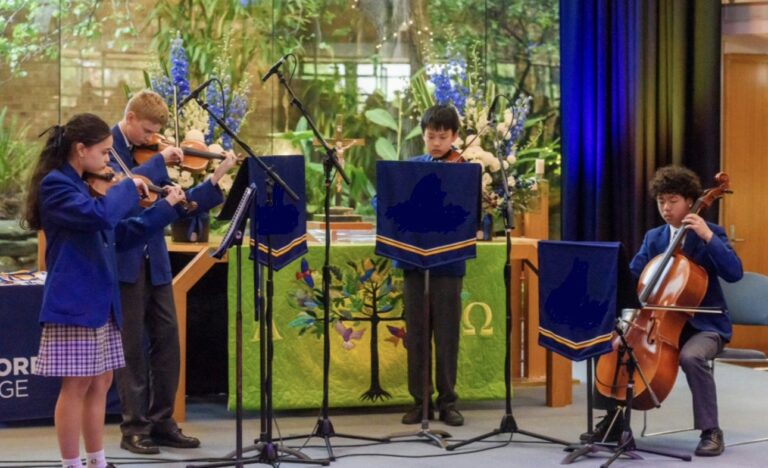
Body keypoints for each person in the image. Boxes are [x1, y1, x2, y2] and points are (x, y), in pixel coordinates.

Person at [23, 113, 186, 468]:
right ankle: (71, 463)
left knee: (101, 382)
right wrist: (128, 187)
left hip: (101, 300)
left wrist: (166, 208)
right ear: (80, 150)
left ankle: (96, 460)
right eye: (105, 153)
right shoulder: (57, 186)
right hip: (76, 301)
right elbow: (100, 217)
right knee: (76, 386)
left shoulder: (84, 185)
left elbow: (122, 234)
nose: (110, 162)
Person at [110, 90, 239, 454]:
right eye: (148, 132)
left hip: (157, 260)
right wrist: (159, 160)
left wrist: (215, 180)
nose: (152, 139)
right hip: (126, 261)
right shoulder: (108, 148)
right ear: (131, 118)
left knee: (168, 342)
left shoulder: (148, 153)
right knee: (132, 348)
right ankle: (134, 428)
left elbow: (175, 204)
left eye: (156, 135)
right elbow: (120, 189)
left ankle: (163, 422)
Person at [584, 165, 743, 457]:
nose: (666, 208)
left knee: (691, 356)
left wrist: (707, 236)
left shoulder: (711, 234)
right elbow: (633, 276)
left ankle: (711, 431)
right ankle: (613, 421)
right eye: (661, 201)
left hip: (703, 326)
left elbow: (734, 273)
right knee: (612, 344)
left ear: (690, 201)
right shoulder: (655, 238)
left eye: (673, 201)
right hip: (657, 326)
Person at [398, 104, 466, 427]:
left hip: (449, 262)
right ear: (423, 136)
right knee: (417, 334)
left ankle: (448, 401)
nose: (436, 143)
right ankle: (420, 400)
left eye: (443, 136)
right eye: (430, 137)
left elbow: (472, 212)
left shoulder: (465, 169)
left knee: (448, 335)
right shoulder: (411, 168)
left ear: (454, 136)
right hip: (414, 260)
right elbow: (384, 201)